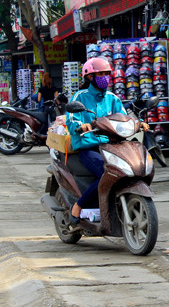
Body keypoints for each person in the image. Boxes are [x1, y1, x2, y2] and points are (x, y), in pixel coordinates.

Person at [66, 57, 148, 223]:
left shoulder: (112, 98)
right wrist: (80, 125)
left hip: (113, 145)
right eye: (100, 74)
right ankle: (79, 206)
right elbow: (71, 118)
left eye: (107, 74)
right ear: (90, 77)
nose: (105, 77)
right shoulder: (80, 97)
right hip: (90, 147)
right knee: (106, 173)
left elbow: (124, 116)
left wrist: (138, 123)